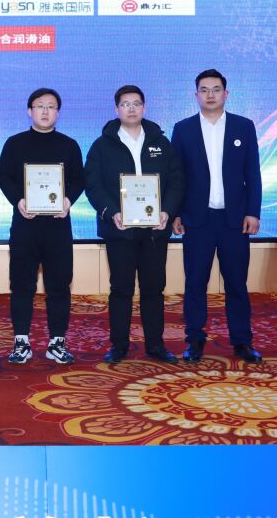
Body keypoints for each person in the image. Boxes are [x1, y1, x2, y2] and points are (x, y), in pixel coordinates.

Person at [84, 84, 185, 364]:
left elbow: (177, 181)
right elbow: (93, 184)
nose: (131, 109)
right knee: (121, 289)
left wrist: (167, 211)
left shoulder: (161, 142)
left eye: (136, 104)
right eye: (125, 104)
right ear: (116, 109)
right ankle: (119, 345)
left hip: (155, 230)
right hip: (120, 230)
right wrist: (112, 212)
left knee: (154, 289)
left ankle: (155, 345)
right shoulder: (102, 144)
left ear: (144, 108)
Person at [171, 69, 264, 364]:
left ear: (226, 93)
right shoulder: (183, 129)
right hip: (196, 220)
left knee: (236, 283)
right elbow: (176, 177)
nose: (210, 95)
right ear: (196, 95)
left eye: (215, 89)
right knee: (195, 283)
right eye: (204, 90)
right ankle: (194, 340)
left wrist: (253, 212)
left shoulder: (243, 127)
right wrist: (175, 213)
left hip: (234, 220)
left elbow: (253, 173)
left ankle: (242, 341)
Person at [0, 88, 85, 364]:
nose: (45, 111)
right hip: (25, 225)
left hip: (58, 226)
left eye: (51, 106)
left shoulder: (69, 145)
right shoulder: (15, 143)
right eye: (40, 106)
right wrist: (19, 200)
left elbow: (79, 179)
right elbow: (4, 176)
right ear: (30, 111)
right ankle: (21, 342)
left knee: (59, 284)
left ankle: (56, 342)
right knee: (21, 284)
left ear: (58, 112)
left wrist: (68, 200)